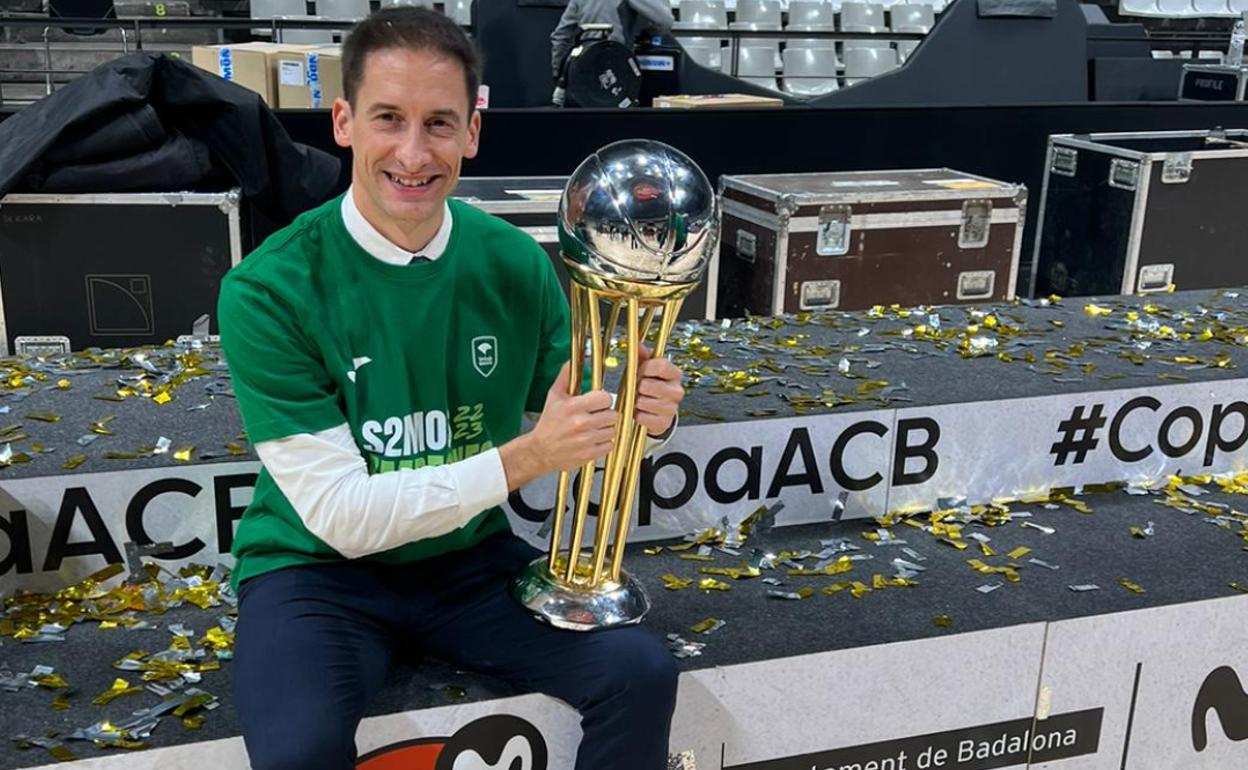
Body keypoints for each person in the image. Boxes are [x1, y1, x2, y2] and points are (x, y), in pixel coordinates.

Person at [217, 8, 686, 770]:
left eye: (439, 124)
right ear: (343, 122)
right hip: (317, 573)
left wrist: (646, 411)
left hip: (464, 562)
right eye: (388, 119)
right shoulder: (268, 289)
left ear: (473, 131)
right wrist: (524, 459)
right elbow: (344, 518)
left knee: (640, 673)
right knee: (299, 752)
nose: (412, 152)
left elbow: (581, 405)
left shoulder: (513, 260)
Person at [550, 0, 676, 105]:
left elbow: (560, 37)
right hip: (617, 69)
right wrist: (648, 34)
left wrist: (559, 75)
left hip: (583, 73)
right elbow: (665, 21)